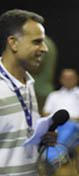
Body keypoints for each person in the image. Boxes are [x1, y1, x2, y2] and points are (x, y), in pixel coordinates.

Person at [0, 9, 55, 176]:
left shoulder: (28, 83)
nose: (45, 48)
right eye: (37, 42)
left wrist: (40, 140)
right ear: (13, 43)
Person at [42, 68, 79, 168]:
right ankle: (56, 158)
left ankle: (49, 159)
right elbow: (46, 113)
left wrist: (68, 120)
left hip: (74, 126)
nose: (68, 80)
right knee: (50, 132)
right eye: (66, 78)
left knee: (67, 129)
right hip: (55, 124)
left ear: (77, 79)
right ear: (61, 79)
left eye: (71, 78)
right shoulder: (53, 95)